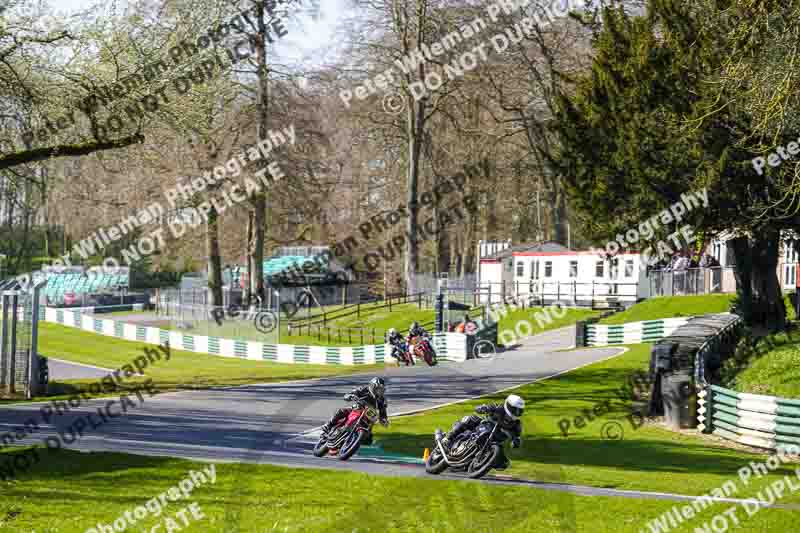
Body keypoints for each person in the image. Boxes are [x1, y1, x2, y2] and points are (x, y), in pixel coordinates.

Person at [441, 394, 524, 470]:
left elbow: (517, 437)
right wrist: (482, 408)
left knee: (504, 464)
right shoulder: (498, 408)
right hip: (483, 427)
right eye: (514, 409)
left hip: (494, 442)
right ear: (508, 405)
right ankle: (448, 438)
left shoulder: (516, 425)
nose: (516, 412)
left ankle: (478, 462)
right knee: (470, 419)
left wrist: (516, 441)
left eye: (519, 411)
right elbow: (484, 407)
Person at [320, 377, 389, 444]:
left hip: (368, 418)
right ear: (373, 386)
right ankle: (329, 425)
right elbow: (352, 393)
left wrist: (384, 419)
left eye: (381, 390)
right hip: (357, 409)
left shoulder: (381, 400)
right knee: (341, 411)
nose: (379, 391)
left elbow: (383, 411)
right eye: (378, 389)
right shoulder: (363, 389)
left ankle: (354, 440)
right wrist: (350, 396)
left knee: (368, 440)